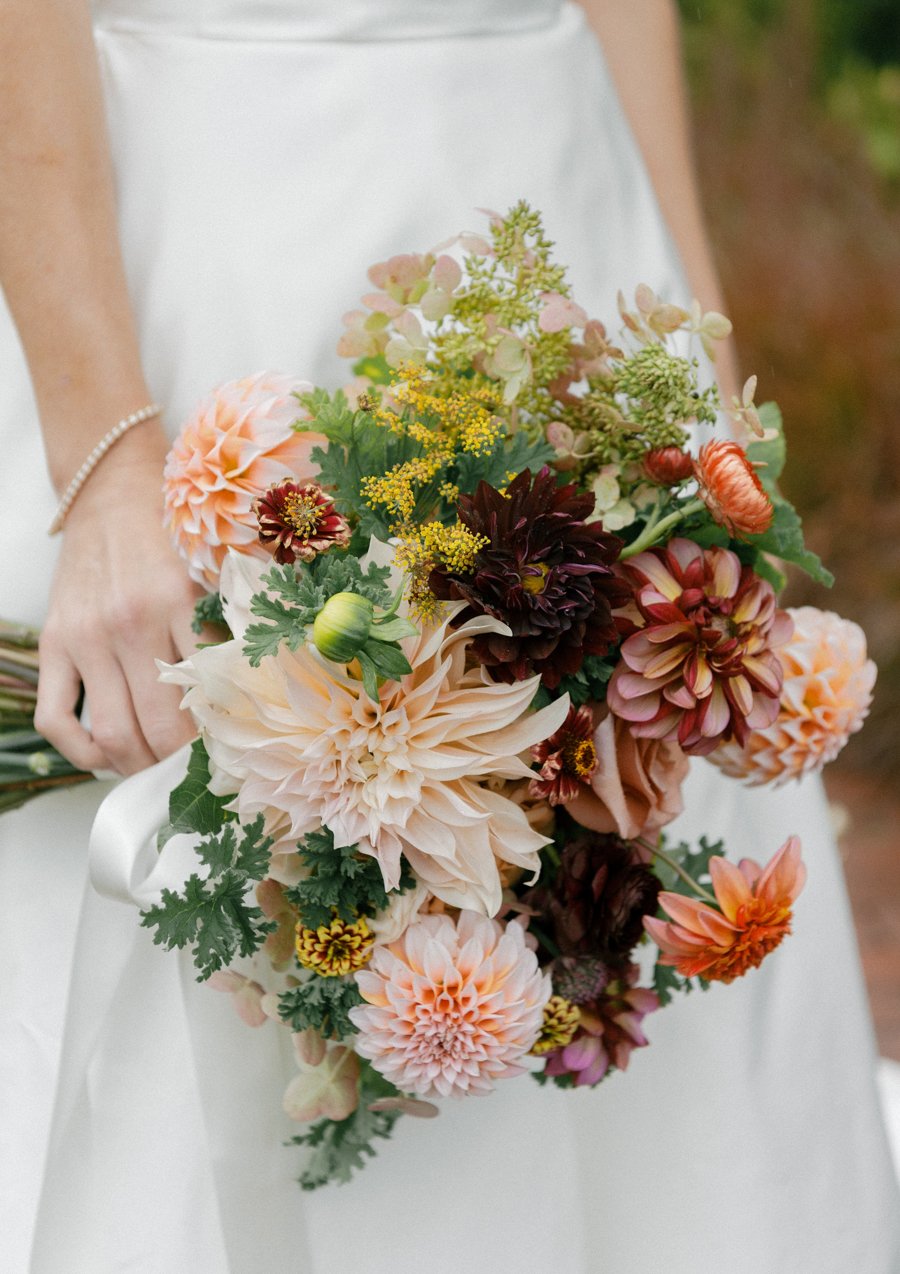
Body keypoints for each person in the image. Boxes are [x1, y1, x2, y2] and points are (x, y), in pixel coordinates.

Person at [1, 2, 897, 1271]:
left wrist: (707, 355)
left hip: (563, 191)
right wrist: (99, 461)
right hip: (215, 214)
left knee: (616, 806)